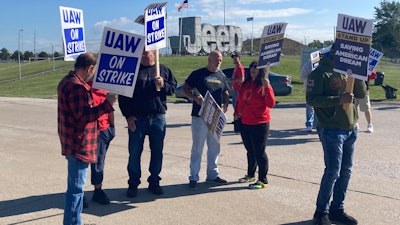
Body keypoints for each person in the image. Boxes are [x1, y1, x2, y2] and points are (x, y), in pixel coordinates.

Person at [306, 44, 366, 225]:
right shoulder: (320, 73)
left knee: (346, 171)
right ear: (334, 53)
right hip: (331, 129)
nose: (349, 57)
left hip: (350, 128)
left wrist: (358, 74)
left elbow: (361, 94)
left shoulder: (348, 71)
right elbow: (311, 99)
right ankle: (320, 212)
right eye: (346, 54)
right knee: (333, 171)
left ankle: (336, 209)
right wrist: (337, 99)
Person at [57, 52, 116, 225]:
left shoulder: (67, 81)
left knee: (75, 189)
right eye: (94, 70)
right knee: (76, 191)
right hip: (79, 144)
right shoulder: (77, 87)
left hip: (73, 141)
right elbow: (83, 117)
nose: (94, 74)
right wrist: (107, 104)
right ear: (90, 68)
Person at [118, 49, 177, 197]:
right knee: (134, 153)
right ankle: (133, 183)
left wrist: (163, 84)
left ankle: (154, 181)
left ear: (154, 53)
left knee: (157, 152)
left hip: (158, 118)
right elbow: (123, 96)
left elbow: (173, 89)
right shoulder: (132, 71)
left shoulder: (163, 69)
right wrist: (128, 116)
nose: (144, 55)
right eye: (142, 52)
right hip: (138, 119)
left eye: (147, 52)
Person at [182, 50, 230, 189]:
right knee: (198, 147)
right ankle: (194, 177)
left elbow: (225, 91)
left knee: (214, 147)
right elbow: (184, 89)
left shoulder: (221, 75)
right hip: (200, 116)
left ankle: (212, 175)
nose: (219, 62)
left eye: (220, 60)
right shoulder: (198, 74)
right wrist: (194, 98)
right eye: (217, 60)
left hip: (215, 116)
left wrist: (226, 102)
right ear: (210, 60)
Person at [233, 61, 275, 189]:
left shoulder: (264, 85)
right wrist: (236, 114)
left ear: (261, 70)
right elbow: (239, 100)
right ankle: (250, 174)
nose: (253, 69)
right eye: (251, 67)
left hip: (260, 123)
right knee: (250, 151)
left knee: (259, 152)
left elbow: (271, 103)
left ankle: (263, 180)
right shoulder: (246, 84)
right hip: (245, 122)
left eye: (256, 67)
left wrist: (266, 87)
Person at [84, 79, 115, 206]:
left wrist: (112, 127)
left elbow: (110, 108)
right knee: (82, 163)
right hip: (89, 130)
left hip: (104, 129)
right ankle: (78, 193)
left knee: (99, 162)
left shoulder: (104, 86)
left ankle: (98, 190)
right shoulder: (83, 87)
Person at [300, 60, 317, 132]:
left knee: (312, 107)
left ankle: (312, 124)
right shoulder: (308, 65)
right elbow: (303, 76)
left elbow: (302, 76)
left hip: (310, 89)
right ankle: (311, 124)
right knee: (312, 107)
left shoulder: (307, 64)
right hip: (312, 89)